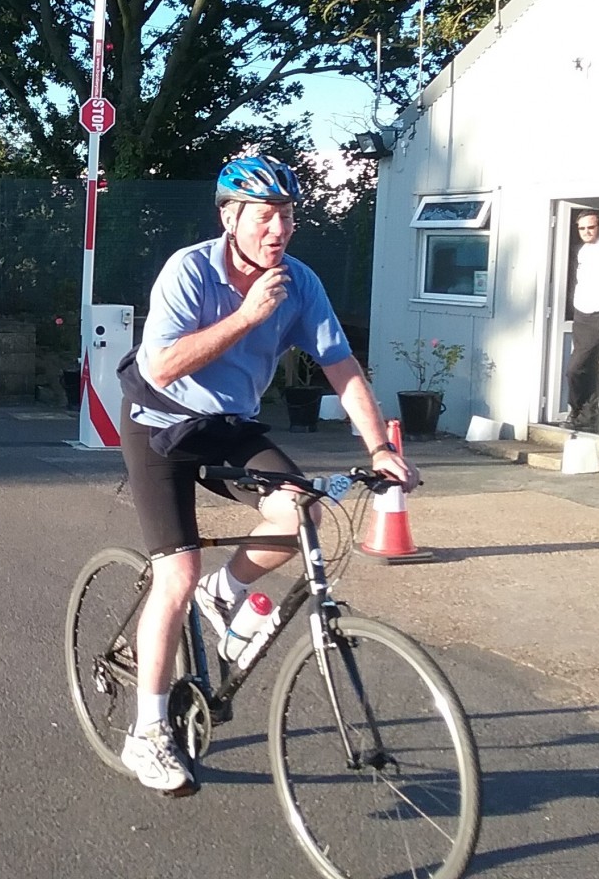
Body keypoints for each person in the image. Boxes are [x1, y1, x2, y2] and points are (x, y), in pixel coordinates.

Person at [117, 154, 421, 794]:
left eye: (286, 213)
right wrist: (249, 317)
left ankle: (227, 592)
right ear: (231, 218)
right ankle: (146, 733)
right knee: (177, 572)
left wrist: (378, 446)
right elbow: (165, 366)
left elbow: (340, 366)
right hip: (160, 423)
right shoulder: (189, 272)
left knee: (302, 507)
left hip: (229, 423)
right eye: (264, 214)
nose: (278, 227)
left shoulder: (301, 281)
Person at [564, 211, 599, 432]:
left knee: (576, 368)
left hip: (598, 316)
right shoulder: (582, 251)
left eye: (590, 227)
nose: (586, 232)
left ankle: (579, 410)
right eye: (581, 228)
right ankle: (587, 416)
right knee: (586, 368)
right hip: (581, 315)